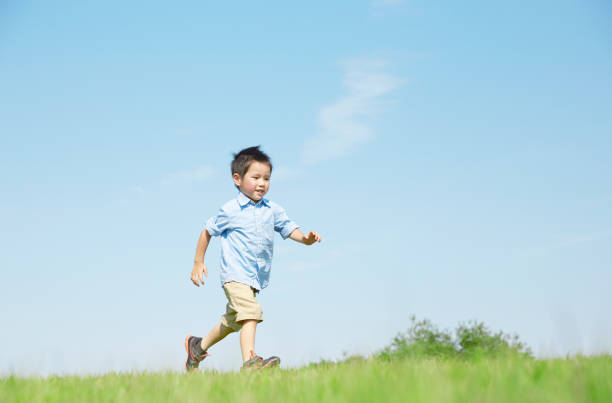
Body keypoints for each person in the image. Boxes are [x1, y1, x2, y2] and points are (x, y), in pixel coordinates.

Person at [185, 146, 322, 372]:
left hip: (254, 278)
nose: (262, 183)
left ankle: (197, 347)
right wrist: (198, 262)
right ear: (237, 179)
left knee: (232, 321)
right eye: (256, 177)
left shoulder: (272, 209)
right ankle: (250, 361)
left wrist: (305, 239)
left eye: (266, 178)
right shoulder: (230, 210)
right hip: (234, 275)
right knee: (250, 312)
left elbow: (288, 228)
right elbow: (207, 230)